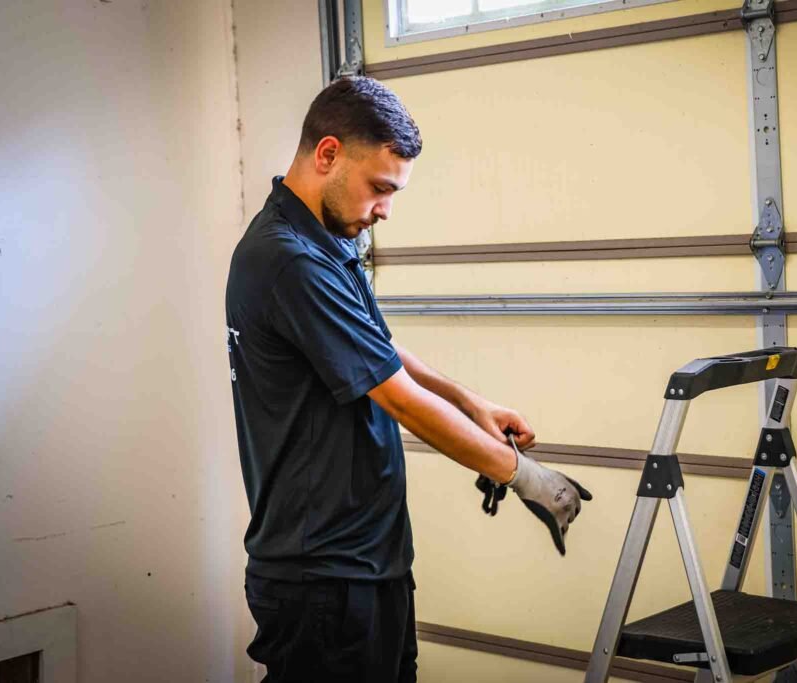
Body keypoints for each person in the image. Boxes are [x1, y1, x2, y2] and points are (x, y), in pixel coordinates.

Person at [224, 76, 592, 682]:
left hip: (369, 561)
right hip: (323, 576)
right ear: (327, 153)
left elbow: (379, 348)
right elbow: (399, 399)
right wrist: (529, 479)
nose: (385, 209)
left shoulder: (326, 240)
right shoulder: (287, 258)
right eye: (379, 188)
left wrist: (471, 403)